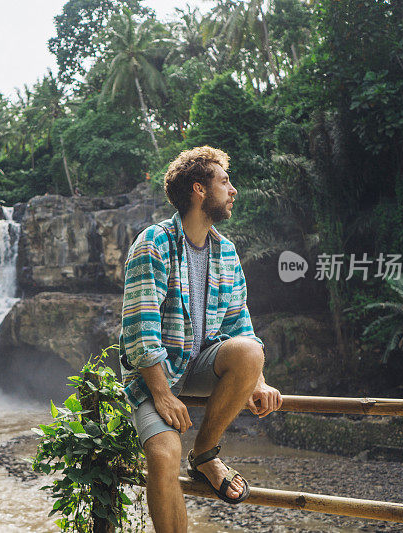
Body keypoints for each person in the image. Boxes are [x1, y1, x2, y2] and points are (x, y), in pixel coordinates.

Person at [119, 146, 282, 532]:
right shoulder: (154, 242)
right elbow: (140, 325)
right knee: (162, 456)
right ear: (199, 190)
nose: (233, 190)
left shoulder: (226, 250)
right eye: (224, 181)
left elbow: (239, 321)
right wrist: (160, 392)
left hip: (203, 365)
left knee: (249, 350)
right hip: (155, 374)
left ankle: (206, 453)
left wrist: (257, 381)